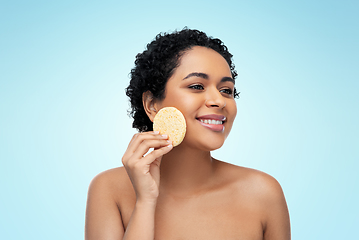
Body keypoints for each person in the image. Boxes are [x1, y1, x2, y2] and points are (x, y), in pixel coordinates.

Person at [85, 28, 291, 240]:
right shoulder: (108, 190)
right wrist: (145, 202)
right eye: (196, 86)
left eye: (226, 90)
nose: (219, 101)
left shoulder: (263, 193)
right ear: (152, 105)